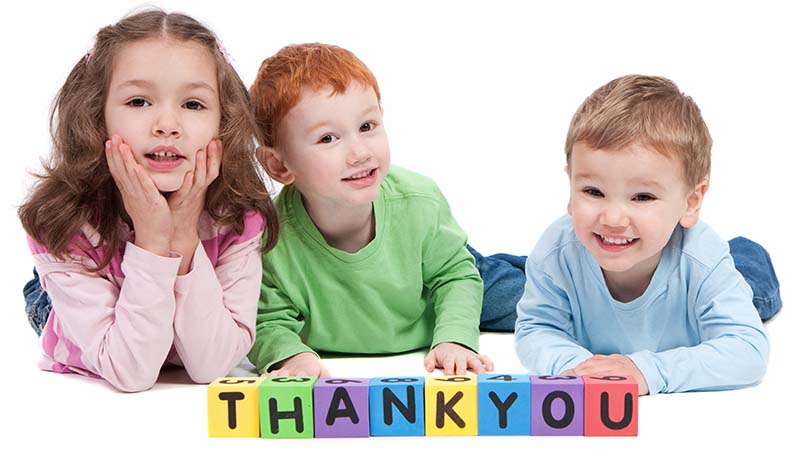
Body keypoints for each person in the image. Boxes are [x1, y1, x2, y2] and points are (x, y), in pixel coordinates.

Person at [18, 9, 278, 392]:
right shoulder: (63, 223)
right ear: (95, 116)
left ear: (223, 122)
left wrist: (185, 236)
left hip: (169, 326)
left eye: (193, 105)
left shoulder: (238, 215)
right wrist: (154, 241)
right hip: (80, 319)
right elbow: (131, 372)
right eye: (139, 102)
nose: (167, 124)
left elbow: (211, 366)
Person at [514, 75, 778, 395]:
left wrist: (647, 370)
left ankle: (749, 256)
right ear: (570, 188)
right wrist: (581, 370)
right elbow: (536, 329)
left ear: (691, 202)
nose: (612, 218)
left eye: (642, 197)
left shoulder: (703, 259)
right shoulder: (555, 250)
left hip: (720, 271)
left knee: (754, 292)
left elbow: (748, 351)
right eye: (593, 191)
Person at [246, 43, 493, 378]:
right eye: (328, 138)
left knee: (536, 294)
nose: (359, 152)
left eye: (367, 126)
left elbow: (457, 276)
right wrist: (291, 357)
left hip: (430, 274)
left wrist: (454, 340)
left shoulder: (418, 201)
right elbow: (266, 319)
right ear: (278, 165)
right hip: (399, 284)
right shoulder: (270, 241)